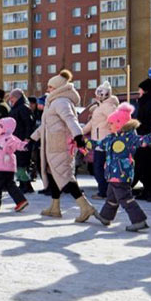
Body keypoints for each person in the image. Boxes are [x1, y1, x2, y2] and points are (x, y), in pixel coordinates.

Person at [30, 70, 97, 222]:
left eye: (50, 87)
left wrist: (78, 136)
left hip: (59, 146)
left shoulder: (61, 102)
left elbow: (71, 120)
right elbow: (46, 125)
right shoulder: (54, 102)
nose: (48, 90)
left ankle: (86, 207)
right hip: (53, 145)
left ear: (58, 87)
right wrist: (33, 138)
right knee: (54, 175)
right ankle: (55, 207)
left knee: (65, 178)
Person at [94, 103, 151, 231]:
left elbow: (143, 141)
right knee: (111, 197)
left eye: (111, 123)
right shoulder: (110, 138)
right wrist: (82, 142)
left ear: (120, 124)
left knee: (125, 198)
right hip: (112, 175)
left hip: (122, 174)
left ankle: (139, 220)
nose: (109, 126)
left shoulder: (129, 138)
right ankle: (105, 216)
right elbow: (98, 144)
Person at [81, 81, 119, 199]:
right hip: (99, 142)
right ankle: (105, 191)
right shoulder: (101, 106)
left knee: (99, 168)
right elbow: (93, 123)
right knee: (99, 168)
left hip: (104, 142)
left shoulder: (108, 106)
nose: (97, 95)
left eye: (99, 93)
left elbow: (115, 120)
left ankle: (104, 192)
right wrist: (80, 132)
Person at [133, 77, 151, 201]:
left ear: (144, 90)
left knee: (144, 165)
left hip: (145, 137)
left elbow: (142, 120)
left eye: (140, 89)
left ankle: (150, 191)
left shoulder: (146, 102)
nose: (139, 91)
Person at [7, 88, 36, 194]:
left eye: (12, 97)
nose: (10, 100)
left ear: (17, 97)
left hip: (22, 140)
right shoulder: (17, 107)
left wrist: (27, 138)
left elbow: (29, 124)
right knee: (19, 163)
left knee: (21, 164)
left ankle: (26, 184)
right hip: (16, 140)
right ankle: (24, 184)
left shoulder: (23, 108)